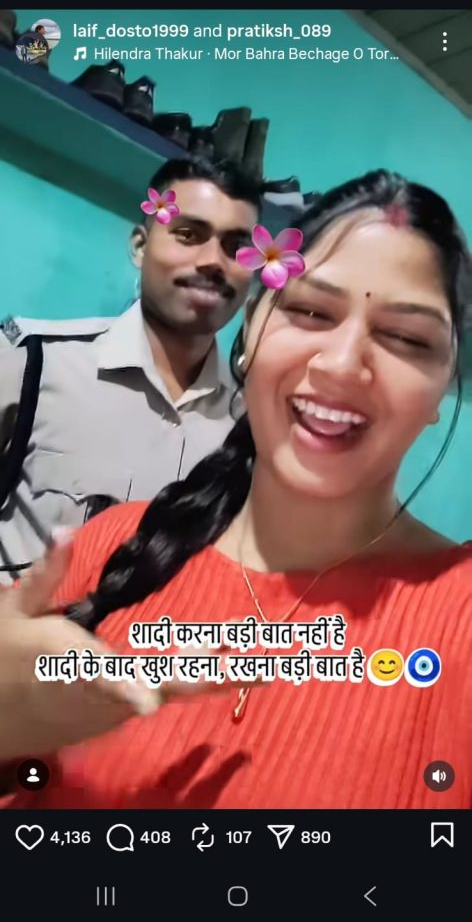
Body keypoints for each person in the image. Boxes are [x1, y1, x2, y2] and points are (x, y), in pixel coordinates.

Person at [1, 169, 472, 811]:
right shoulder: (109, 545)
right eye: (310, 310)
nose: (341, 365)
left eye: (408, 338)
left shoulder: (457, 613)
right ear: (250, 332)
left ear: (443, 388)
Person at [0, 156, 260, 581]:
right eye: (188, 234)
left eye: (236, 247)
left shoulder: (249, 427)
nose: (214, 261)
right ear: (140, 246)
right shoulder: (32, 361)